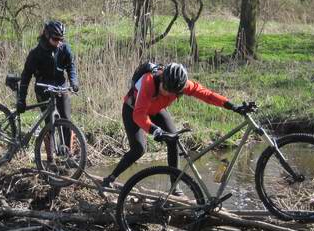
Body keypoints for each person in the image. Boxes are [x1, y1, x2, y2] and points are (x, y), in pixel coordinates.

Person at [101, 62, 239, 189]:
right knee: (138, 149)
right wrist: (155, 130)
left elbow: (207, 95)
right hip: (133, 109)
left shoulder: (182, 85)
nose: (167, 93)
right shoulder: (149, 81)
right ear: (162, 79)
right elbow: (139, 115)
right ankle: (110, 178)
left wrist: (232, 106)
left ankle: (174, 186)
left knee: (174, 139)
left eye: (172, 92)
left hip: (156, 110)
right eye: (165, 89)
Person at [17, 20, 79, 120]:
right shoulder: (35, 54)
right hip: (43, 89)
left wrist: (74, 82)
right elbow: (26, 76)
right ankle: (48, 134)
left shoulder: (65, 49)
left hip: (60, 88)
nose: (58, 42)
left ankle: (66, 134)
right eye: (55, 39)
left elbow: (71, 67)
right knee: (50, 123)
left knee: (66, 120)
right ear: (46, 35)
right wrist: (22, 99)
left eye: (61, 39)